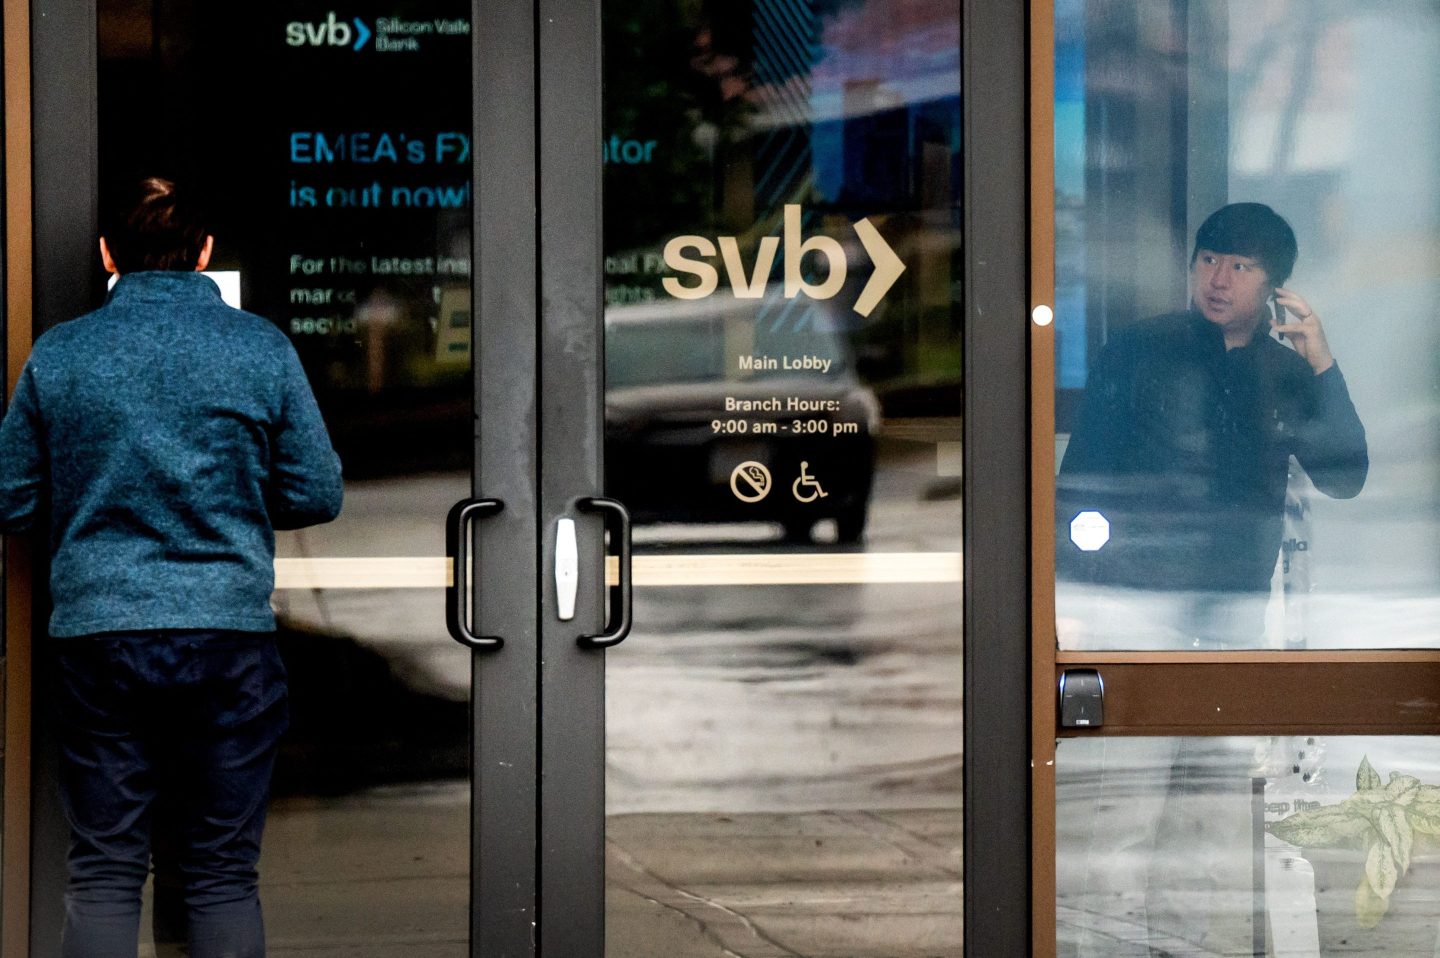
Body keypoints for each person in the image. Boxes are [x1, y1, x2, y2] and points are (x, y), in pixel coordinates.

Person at [0, 177, 343, 957]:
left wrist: (95, 499)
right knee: (222, 872)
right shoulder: (260, 348)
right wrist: (229, 506)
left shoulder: (63, 353)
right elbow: (317, 493)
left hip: (100, 636)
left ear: (107, 255)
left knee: (104, 870)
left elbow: (10, 501)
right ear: (205, 253)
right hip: (226, 633)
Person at [1057, 201, 1368, 647]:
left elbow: (1345, 479)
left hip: (1237, 610)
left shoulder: (1285, 371)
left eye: (1240, 266)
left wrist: (1321, 362)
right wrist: (1076, 597)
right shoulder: (1137, 349)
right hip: (1134, 602)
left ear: (1274, 287)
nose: (1218, 280)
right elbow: (1081, 479)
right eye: (1208, 260)